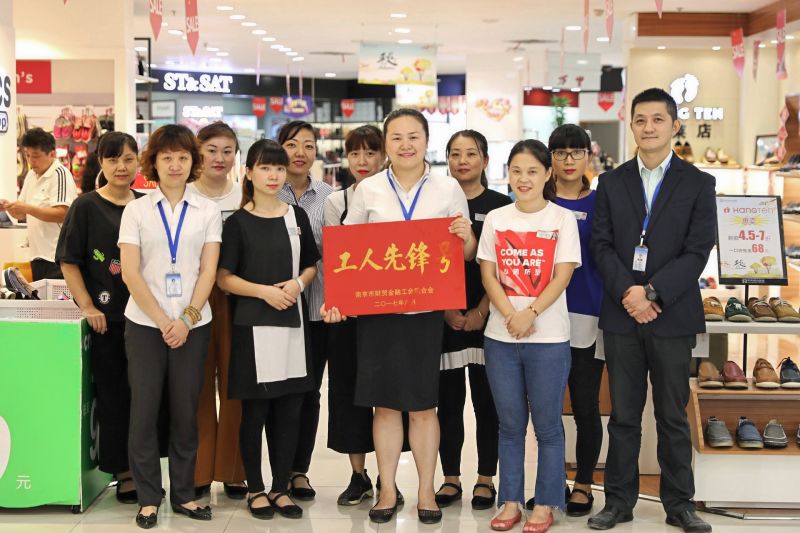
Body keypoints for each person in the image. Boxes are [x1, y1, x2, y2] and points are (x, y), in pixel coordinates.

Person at [321, 108, 476, 525]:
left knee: (424, 407)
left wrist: (466, 237)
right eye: (396, 138)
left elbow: (466, 255)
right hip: (379, 314)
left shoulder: (447, 188)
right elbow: (348, 249)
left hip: (426, 314)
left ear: (426, 141)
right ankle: (387, 488)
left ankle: (426, 489)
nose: (406, 145)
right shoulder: (369, 189)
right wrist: (336, 299)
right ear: (386, 144)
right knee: (386, 407)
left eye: (413, 137)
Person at [588, 88, 715, 533]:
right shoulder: (611, 182)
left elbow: (698, 250)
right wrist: (630, 292)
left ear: (674, 125)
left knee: (673, 417)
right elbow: (601, 245)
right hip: (622, 313)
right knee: (623, 416)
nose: (649, 128)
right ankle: (618, 502)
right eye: (640, 120)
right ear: (632, 126)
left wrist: (654, 293)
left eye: (658, 119)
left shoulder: (698, 183)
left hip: (673, 314)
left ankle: (680, 505)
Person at [118, 124, 221, 529]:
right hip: (145, 324)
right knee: (143, 411)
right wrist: (164, 321)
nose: (175, 165)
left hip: (193, 325)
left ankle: (183, 494)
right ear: (154, 163)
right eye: (167, 158)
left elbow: (208, 270)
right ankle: (148, 497)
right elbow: (130, 271)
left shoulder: (207, 210)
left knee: (185, 410)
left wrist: (187, 319)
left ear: (193, 162)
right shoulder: (137, 209)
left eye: (182, 157)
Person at [478, 139, 580, 533]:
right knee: (509, 425)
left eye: (533, 171)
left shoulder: (561, 219)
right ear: (508, 173)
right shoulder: (496, 218)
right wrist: (511, 315)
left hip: (549, 338)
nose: (524, 179)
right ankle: (510, 501)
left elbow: (563, 275)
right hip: (501, 338)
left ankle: (546, 503)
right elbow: (488, 274)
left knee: (548, 426)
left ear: (548, 174)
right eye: (517, 171)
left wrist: (531, 313)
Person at [217, 139, 319, 521]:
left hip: (293, 325)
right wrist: (263, 291)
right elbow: (224, 278)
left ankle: (280, 487)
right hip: (253, 328)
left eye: (278, 168)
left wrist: (298, 284)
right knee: (255, 412)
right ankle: (256, 488)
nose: (273, 175)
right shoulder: (236, 223)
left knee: (290, 410)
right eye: (265, 167)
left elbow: (311, 265)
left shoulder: (297, 217)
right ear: (248, 173)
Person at [56, 132, 142, 504]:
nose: (121, 167)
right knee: (114, 396)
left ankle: (145, 466)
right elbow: (69, 261)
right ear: (101, 163)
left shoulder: (147, 205)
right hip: (108, 320)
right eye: (112, 159)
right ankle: (122, 472)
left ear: (139, 162)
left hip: (149, 319)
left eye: (128, 159)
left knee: (147, 396)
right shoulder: (86, 206)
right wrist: (88, 306)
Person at [435, 130, 509, 511]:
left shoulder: (501, 206)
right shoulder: (436, 202)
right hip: (444, 318)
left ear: (485, 160)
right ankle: (450, 478)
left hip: (489, 318)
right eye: (455, 154)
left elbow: (505, 267)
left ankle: (485, 478)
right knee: (447, 402)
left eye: (471, 153)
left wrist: (482, 310)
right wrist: (446, 308)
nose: (462, 161)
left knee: (487, 402)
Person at [189, 121, 247, 500]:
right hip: (192, 297)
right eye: (211, 150)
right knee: (195, 383)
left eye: (227, 151)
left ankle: (234, 470)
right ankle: (198, 469)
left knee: (235, 384)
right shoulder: (183, 194)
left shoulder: (245, 196)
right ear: (198, 152)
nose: (219, 158)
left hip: (236, 297)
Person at [548, 124, 605, 517]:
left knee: (585, 405)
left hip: (588, 314)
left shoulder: (604, 203)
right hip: (542, 316)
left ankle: (584, 483)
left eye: (576, 152)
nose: (568, 160)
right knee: (547, 411)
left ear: (589, 155)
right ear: (550, 157)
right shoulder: (537, 200)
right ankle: (552, 483)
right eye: (560, 152)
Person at [276, 120, 333, 500]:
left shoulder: (330, 197)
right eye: (292, 144)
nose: (300, 153)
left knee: (310, 392)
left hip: (317, 309)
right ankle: (277, 471)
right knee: (281, 393)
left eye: (308, 146)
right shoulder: (266, 190)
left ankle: (300, 471)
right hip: (276, 307)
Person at [1, 127, 76, 281]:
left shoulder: (60, 174)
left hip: (58, 257)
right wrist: (9, 207)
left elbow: (63, 213)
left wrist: (28, 208)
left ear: (52, 154)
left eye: (36, 156)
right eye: (27, 155)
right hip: (37, 256)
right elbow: (20, 214)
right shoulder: (31, 175)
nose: (31, 161)